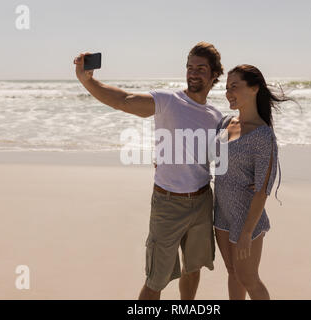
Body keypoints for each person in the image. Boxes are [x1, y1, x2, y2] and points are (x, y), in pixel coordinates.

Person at [73, 42, 224, 300]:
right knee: (156, 278)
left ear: (214, 74)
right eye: (190, 67)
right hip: (168, 204)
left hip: (201, 202)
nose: (193, 73)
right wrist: (87, 81)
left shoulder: (215, 116)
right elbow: (124, 100)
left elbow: (215, 160)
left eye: (201, 68)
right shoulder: (168, 101)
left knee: (193, 268)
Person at [213, 64, 290, 300]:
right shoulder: (226, 123)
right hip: (221, 214)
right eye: (226, 88)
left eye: (234, 86)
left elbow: (262, 190)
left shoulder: (263, 135)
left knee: (249, 278)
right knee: (233, 273)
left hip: (247, 220)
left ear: (255, 88)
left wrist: (246, 232)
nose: (228, 92)